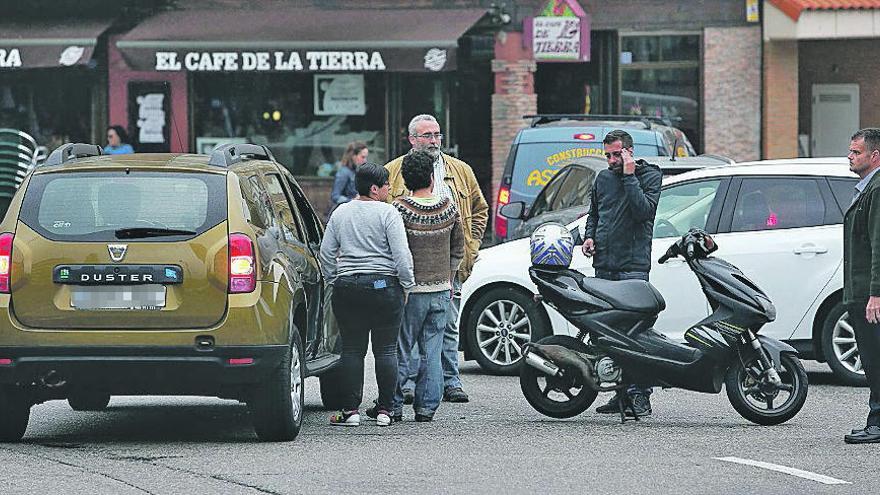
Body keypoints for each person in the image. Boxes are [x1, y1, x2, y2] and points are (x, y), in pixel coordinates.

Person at [385, 114, 488, 403]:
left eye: (437, 135)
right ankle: (411, 387)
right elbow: (383, 216)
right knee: (410, 331)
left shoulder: (460, 170)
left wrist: (472, 244)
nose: (433, 141)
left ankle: (451, 381)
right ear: (412, 140)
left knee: (448, 327)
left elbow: (480, 209)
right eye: (427, 136)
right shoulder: (393, 171)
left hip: (450, 266)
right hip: (408, 268)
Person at [318, 162, 415, 427]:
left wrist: (333, 279)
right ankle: (385, 411)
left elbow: (326, 253)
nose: (389, 190)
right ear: (374, 189)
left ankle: (350, 412)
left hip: (348, 287)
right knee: (386, 350)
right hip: (385, 288)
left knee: (351, 350)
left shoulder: (340, 213)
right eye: (386, 186)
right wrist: (406, 285)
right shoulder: (388, 213)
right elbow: (401, 256)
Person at [378, 150, 464, 422]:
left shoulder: (399, 209)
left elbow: (390, 249)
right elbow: (458, 248)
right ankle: (427, 407)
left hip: (409, 291)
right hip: (440, 289)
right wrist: (449, 278)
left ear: (404, 178)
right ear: (431, 176)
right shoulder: (449, 206)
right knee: (433, 350)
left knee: (401, 349)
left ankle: (393, 403)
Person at [582, 129, 662, 417]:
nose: (612, 161)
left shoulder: (650, 176)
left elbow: (643, 212)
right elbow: (595, 212)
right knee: (606, 333)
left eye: (617, 154)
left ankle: (640, 395)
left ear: (630, 151)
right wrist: (589, 237)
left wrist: (629, 176)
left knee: (636, 334)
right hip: (604, 265)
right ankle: (619, 392)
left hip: (633, 267)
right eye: (608, 156)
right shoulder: (603, 179)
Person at [843, 128, 880, 444]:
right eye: (850, 151)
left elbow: (879, 244)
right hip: (859, 289)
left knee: (875, 357)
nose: (850, 157)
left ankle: (878, 422)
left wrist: (876, 294)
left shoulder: (877, 190)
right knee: (871, 357)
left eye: (856, 152)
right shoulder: (866, 188)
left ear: (874, 156)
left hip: (869, 293)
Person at [327, 141, 369, 220]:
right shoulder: (343, 172)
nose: (365, 160)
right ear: (353, 156)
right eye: (362, 157)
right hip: (343, 215)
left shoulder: (356, 172)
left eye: (366, 157)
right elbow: (335, 196)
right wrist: (352, 200)